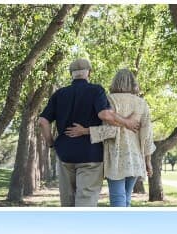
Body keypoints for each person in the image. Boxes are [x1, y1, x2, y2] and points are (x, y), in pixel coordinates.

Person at [38, 58, 139, 207]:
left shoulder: (59, 94)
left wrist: (51, 143)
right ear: (89, 73)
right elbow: (105, 115)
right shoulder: (96, 90)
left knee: (67, 202)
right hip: (90, 156)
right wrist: (127, 122)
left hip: (65, 155)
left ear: (71, 74)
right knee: (86, 202)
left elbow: (42, 121)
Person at [64, 68, 155, 207]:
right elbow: (147, 134)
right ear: (133, 83)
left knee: (118, 200)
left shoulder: (108, 100)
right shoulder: (142, 103)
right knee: (126, 200)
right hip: (136, 159)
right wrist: (148, 161)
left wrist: (84, 131)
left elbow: (109, 131)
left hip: (116, 157)